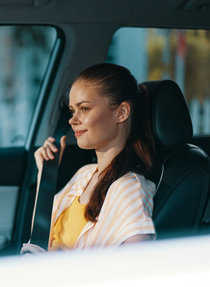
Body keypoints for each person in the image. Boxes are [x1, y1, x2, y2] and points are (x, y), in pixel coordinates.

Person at [22, 63, 156, 254]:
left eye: (84, 109)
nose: (72, 120)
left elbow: (136, 265)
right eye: (72, 111)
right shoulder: (84, 174)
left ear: (121, 112)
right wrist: (46, 174)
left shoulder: (128, 189)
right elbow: (42, 236)